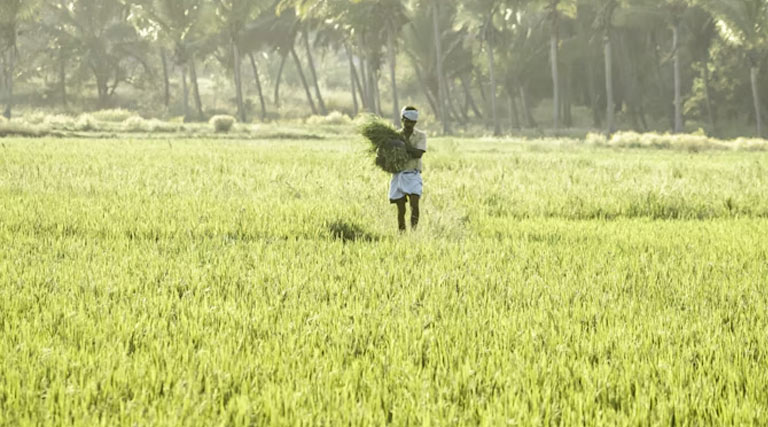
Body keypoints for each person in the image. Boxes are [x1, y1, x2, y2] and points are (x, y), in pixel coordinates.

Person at [389, 106, 427, 232]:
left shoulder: (421, 136)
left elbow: (418, 154)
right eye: (407, 121)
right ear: (402, 119)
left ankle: (414, 232)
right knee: (401, 209)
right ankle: (402, 233)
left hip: (413, 173)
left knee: (414, 204)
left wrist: (403, 146)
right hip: (398, 174)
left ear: (415, 122)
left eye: (412, 122)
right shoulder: (395, 136)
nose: (409, 124)